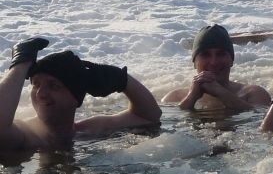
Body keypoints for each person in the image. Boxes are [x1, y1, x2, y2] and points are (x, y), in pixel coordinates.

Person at [0, 37, 161, 151]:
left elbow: (150, 116)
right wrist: (20, 65)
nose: (41, 94)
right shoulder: (27, 134)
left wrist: (122, 79)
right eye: (36, 85)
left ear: (75, 97)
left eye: (54, 86)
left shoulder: (88, 130)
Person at [162, 25, 271, 110]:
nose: (214, 62)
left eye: (221, 54)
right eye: (205, 54)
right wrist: (191, 98)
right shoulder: (174, 98)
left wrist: (221, 93)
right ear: (194, 62)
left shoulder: (253, 94)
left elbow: (262, 121)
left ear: (231, 60)